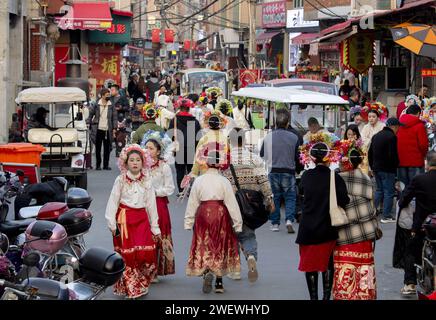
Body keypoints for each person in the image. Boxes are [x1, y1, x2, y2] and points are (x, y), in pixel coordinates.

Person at [184, 143, 243, 294]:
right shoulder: (224, 181)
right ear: (220, 164)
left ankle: (206, 273)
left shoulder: (199, 181)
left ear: (206, 162)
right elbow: (231, 203)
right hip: (220, 214)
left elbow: (192, 202)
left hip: (203, 213)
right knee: (219, 245)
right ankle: (219, 282)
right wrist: (238, 223)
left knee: (204, 245)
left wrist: (188, 221)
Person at [296, 138, 350, 300]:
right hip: (327, 227)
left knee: (310, 265)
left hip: (307, 229)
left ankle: (314, 297)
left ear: (312, 158)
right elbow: (344, 200)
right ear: (329, 157)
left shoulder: (306, 176)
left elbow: (301, 195)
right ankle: (326, 296)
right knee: (327, 263)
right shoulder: (335, 177)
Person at [105, 145, 160, 298]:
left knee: (144, 254)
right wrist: (112, 223)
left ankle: (141, 282)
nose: (135, 163)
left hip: (142, 220)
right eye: (132, 160)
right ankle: (132, 288)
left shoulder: (147, 180)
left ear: (143, 162)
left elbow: (151, 204)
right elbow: (113, 201)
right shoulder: (120, 179)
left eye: (138, 160)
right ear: (126, 163)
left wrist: (155, 226)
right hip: (125, 221)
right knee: (128, 256)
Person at [222, 128, 274, 282]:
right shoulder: (254, 158)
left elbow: (221, 182)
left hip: (231, 202)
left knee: (233, 234)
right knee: (248, 233)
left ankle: (235, 270)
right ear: (244, 140)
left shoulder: (226, 160)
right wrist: (269, 199)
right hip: (252, 203)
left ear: (230, 141)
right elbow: (263, 181)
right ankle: (250, 255)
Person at [333, 141, 378, 300]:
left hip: (344, 235)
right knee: (364, 269)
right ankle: (366, 296)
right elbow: (371, 207)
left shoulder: (337, 180)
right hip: (365, 234)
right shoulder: (366, 179)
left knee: (345, 270)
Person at [395, 151, 436, 296]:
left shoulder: (419, 179)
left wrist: (402, 199)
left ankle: (410, 283)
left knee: (410, 250)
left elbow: (405, 199)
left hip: (423, 224)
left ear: (427, 163)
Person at [260, 108, 300, 233]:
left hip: (273, 170)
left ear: (275, 123)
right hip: (288, 170)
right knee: (290, 197)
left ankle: (275, 223)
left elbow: (262, 154)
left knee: (275, 197)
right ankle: (289, 220)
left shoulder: (268, 137)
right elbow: (297, 156)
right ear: (287, 123)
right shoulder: (294, 137)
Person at [144, 133, 176, 279]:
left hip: (159, 204)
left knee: (158, 235)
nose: (148, 151)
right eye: (146, 148)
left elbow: (170, 188)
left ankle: (156, 269)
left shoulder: (164, 167)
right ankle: (146, 268)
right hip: (143, 205)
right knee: (145, 237)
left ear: (158, 151)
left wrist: (154, 192)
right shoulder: (142, 166)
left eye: (151, 148)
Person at [368, 117, 401, 223]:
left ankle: (371, 211)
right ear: (394, 127)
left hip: (376, 167)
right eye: (398, 127)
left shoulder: (376, 135)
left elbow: (370, 153)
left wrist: (372, 166)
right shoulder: (392, 137)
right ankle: (386, 215)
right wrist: (395, 167)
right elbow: (393, 155)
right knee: (389, 192)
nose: (398, 129)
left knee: (379, 190)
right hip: (387, 169)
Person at [168, 98, 202, 192]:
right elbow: (199, 137)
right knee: (191, 170)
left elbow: (169, 135)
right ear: (189, 108)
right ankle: (191, 190)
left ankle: (181, 190)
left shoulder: (174, 121)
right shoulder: (195, 122)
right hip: (191, 149)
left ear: (179, 107)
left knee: (180, 171)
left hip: (179, 150)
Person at [397, 104, 429, 187]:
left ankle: (403, 200)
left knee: (403, 187)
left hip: (401, 160)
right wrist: (424, 155)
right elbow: (423, 144)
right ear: (418, 113)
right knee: (416, 187)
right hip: (416, 160)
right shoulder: (419, 126)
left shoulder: (399, 124)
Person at [88, 88, 117, 170]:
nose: (108, 96)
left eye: (109, 95)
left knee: (107, 149)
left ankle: (105, 165)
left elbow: (114, 117)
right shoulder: (96, 104)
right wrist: (88, 122)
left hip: (108, 129)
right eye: (107, 95)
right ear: (102, 95)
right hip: (98, 129)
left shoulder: (111, 104)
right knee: (98, 148)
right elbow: (91, 114)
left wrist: (114, 128)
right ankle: (98, 165)